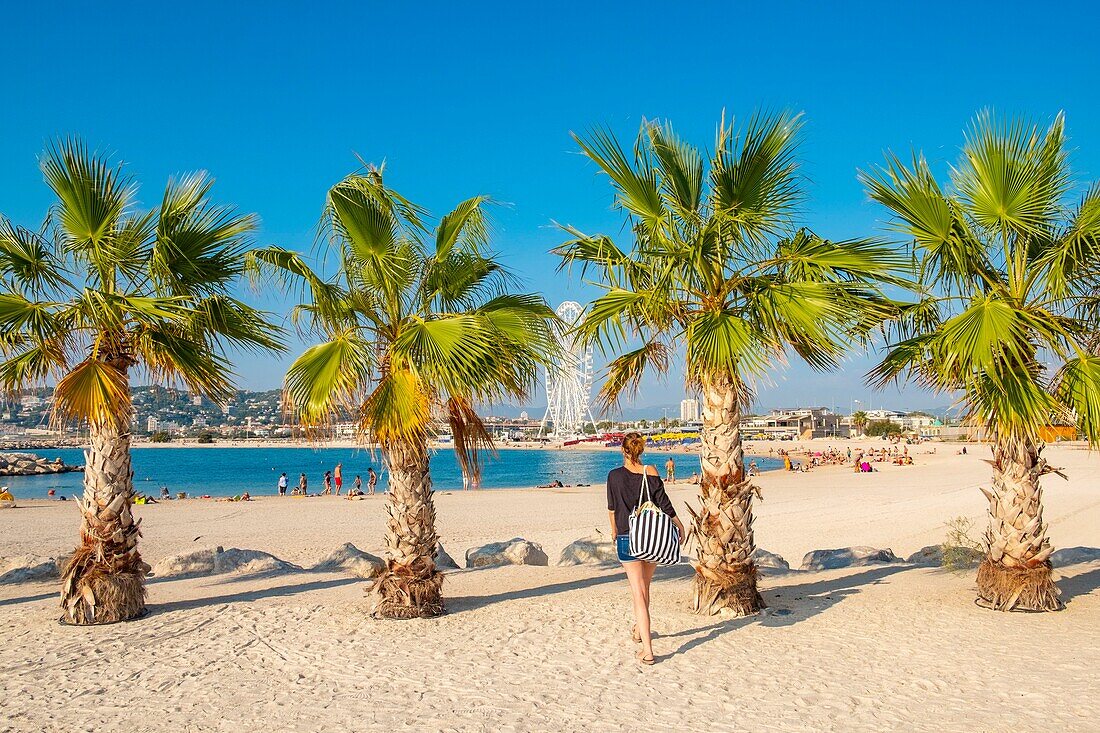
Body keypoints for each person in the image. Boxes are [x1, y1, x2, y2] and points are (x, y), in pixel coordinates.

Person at [606, 432, 685, 666]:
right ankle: (640, 630)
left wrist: (613, 530)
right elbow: (664, 503)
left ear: (623, 450)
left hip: (627, 537)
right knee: (645, 587)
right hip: (652, 536)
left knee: (638, 592)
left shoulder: (614, 476)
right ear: (640, 450)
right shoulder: (650, 471)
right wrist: (678, 523)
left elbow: (612, 508)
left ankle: (648, 650)